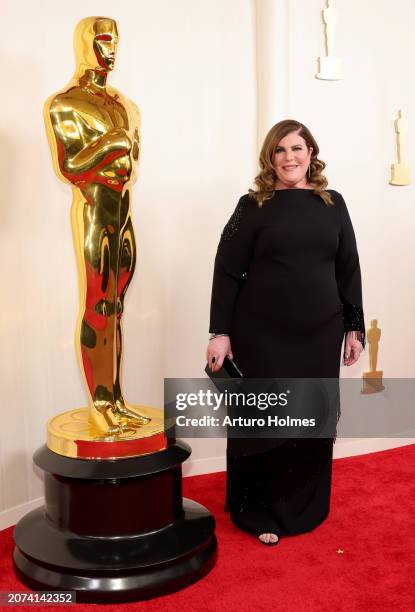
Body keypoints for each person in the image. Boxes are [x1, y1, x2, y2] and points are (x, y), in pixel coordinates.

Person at [206, 119, 365, 546]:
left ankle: (307, 508)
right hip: (262, 334)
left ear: (311, 153)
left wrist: (354, 327)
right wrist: (219, 332)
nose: (289, 157)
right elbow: (226, 273)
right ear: (269, 158)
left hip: (319, 334)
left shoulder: (333, 203)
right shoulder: (251, 204)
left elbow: (348, 268)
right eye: (279, 150)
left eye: (297, 148)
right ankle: (258, 510)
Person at [45, 17, 150, 436]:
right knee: (99, 307)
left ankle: (116, 400)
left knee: (117, 308)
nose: (111, 49)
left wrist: (121, 146)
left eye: (116, 40)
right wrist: (113, 143)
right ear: (85, 43)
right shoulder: (65, 103)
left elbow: (133, 163)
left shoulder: (126, 105)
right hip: (94, 213)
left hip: (123, 213)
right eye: (103, 39)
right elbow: (70, 166)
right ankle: (101, 403)